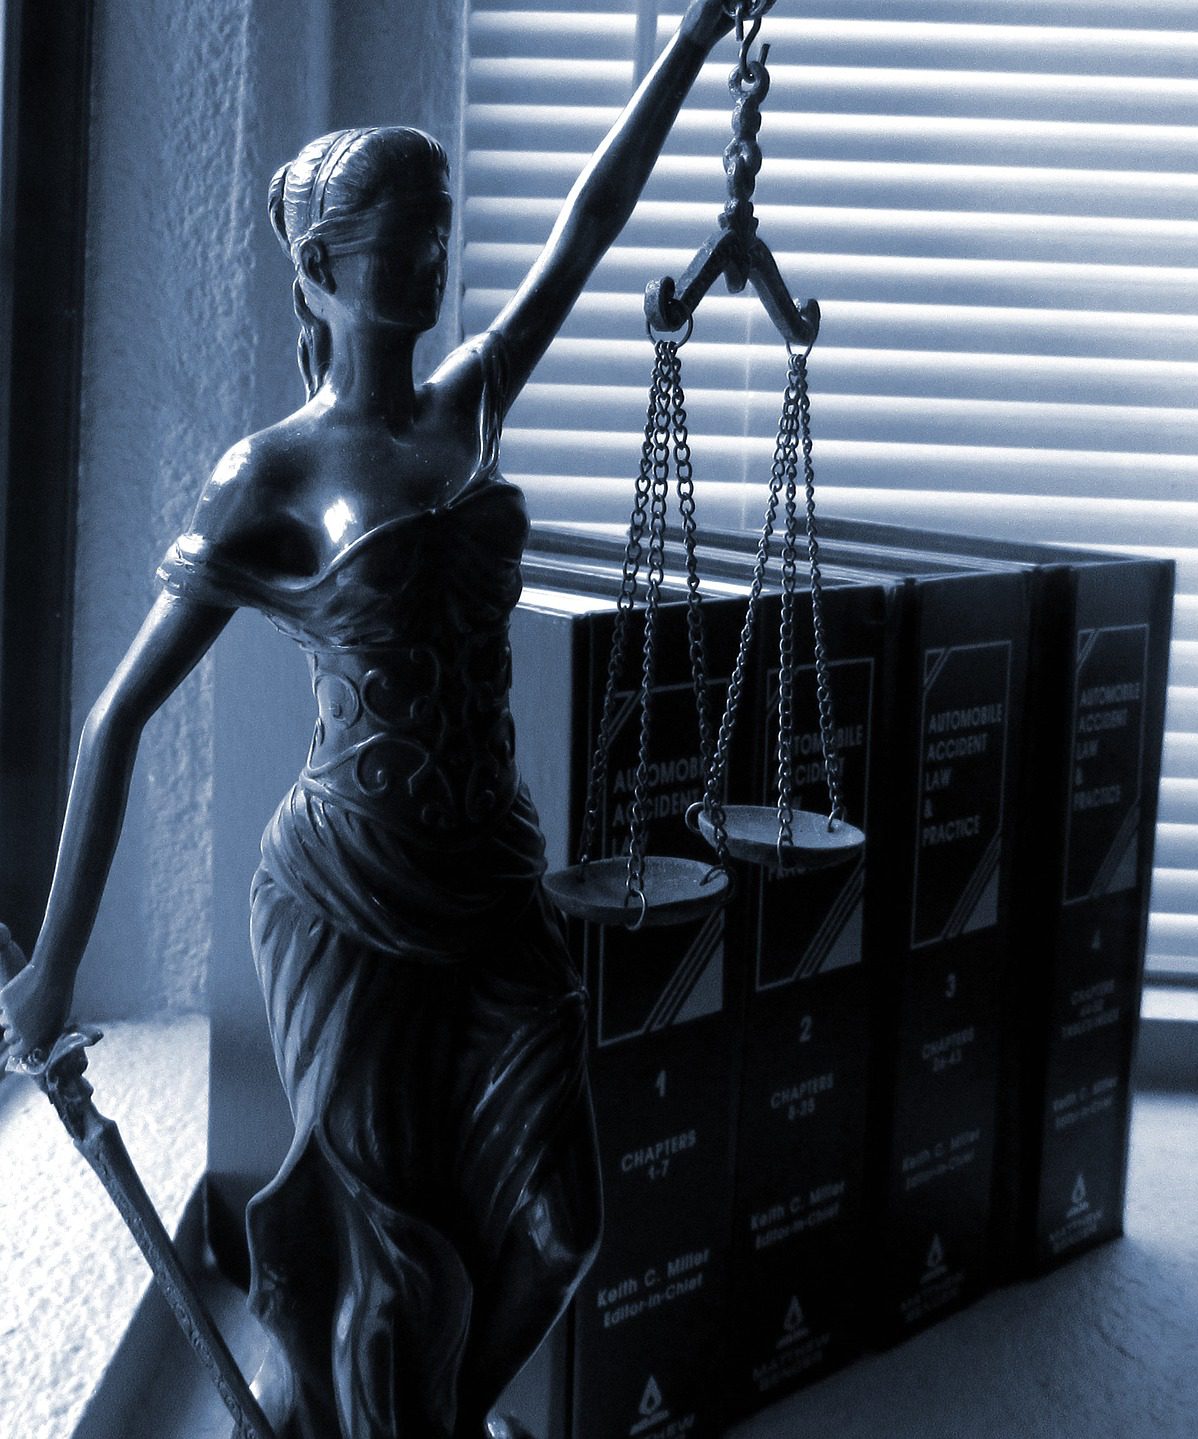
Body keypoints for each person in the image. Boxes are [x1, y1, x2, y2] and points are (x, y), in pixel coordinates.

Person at [0, 3, 759, 1434]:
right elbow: (114, 723)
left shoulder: (470, 407)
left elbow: (593, 225)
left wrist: (699, 30)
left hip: (494, 883)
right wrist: (50, 972)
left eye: (439, 227)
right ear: (321, 264)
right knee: (393, 1268)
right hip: (344, 897)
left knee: (558, 1227)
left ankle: (404, 1423)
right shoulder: (266, 479)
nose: (429, 258)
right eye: (398, 235)